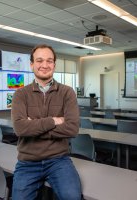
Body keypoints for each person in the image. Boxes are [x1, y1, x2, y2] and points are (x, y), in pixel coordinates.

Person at [11, 44, 82, 200]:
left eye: (49, 61)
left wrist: (34, 127)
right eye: (39, 60)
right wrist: (54, 121)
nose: (44, 65)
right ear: (32, 64)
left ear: (54, 65)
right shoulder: (20, 94)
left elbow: (72, 129)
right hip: (27, 162)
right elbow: (20, 129)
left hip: (58, 160)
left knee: (73, 197)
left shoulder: (67, 92)